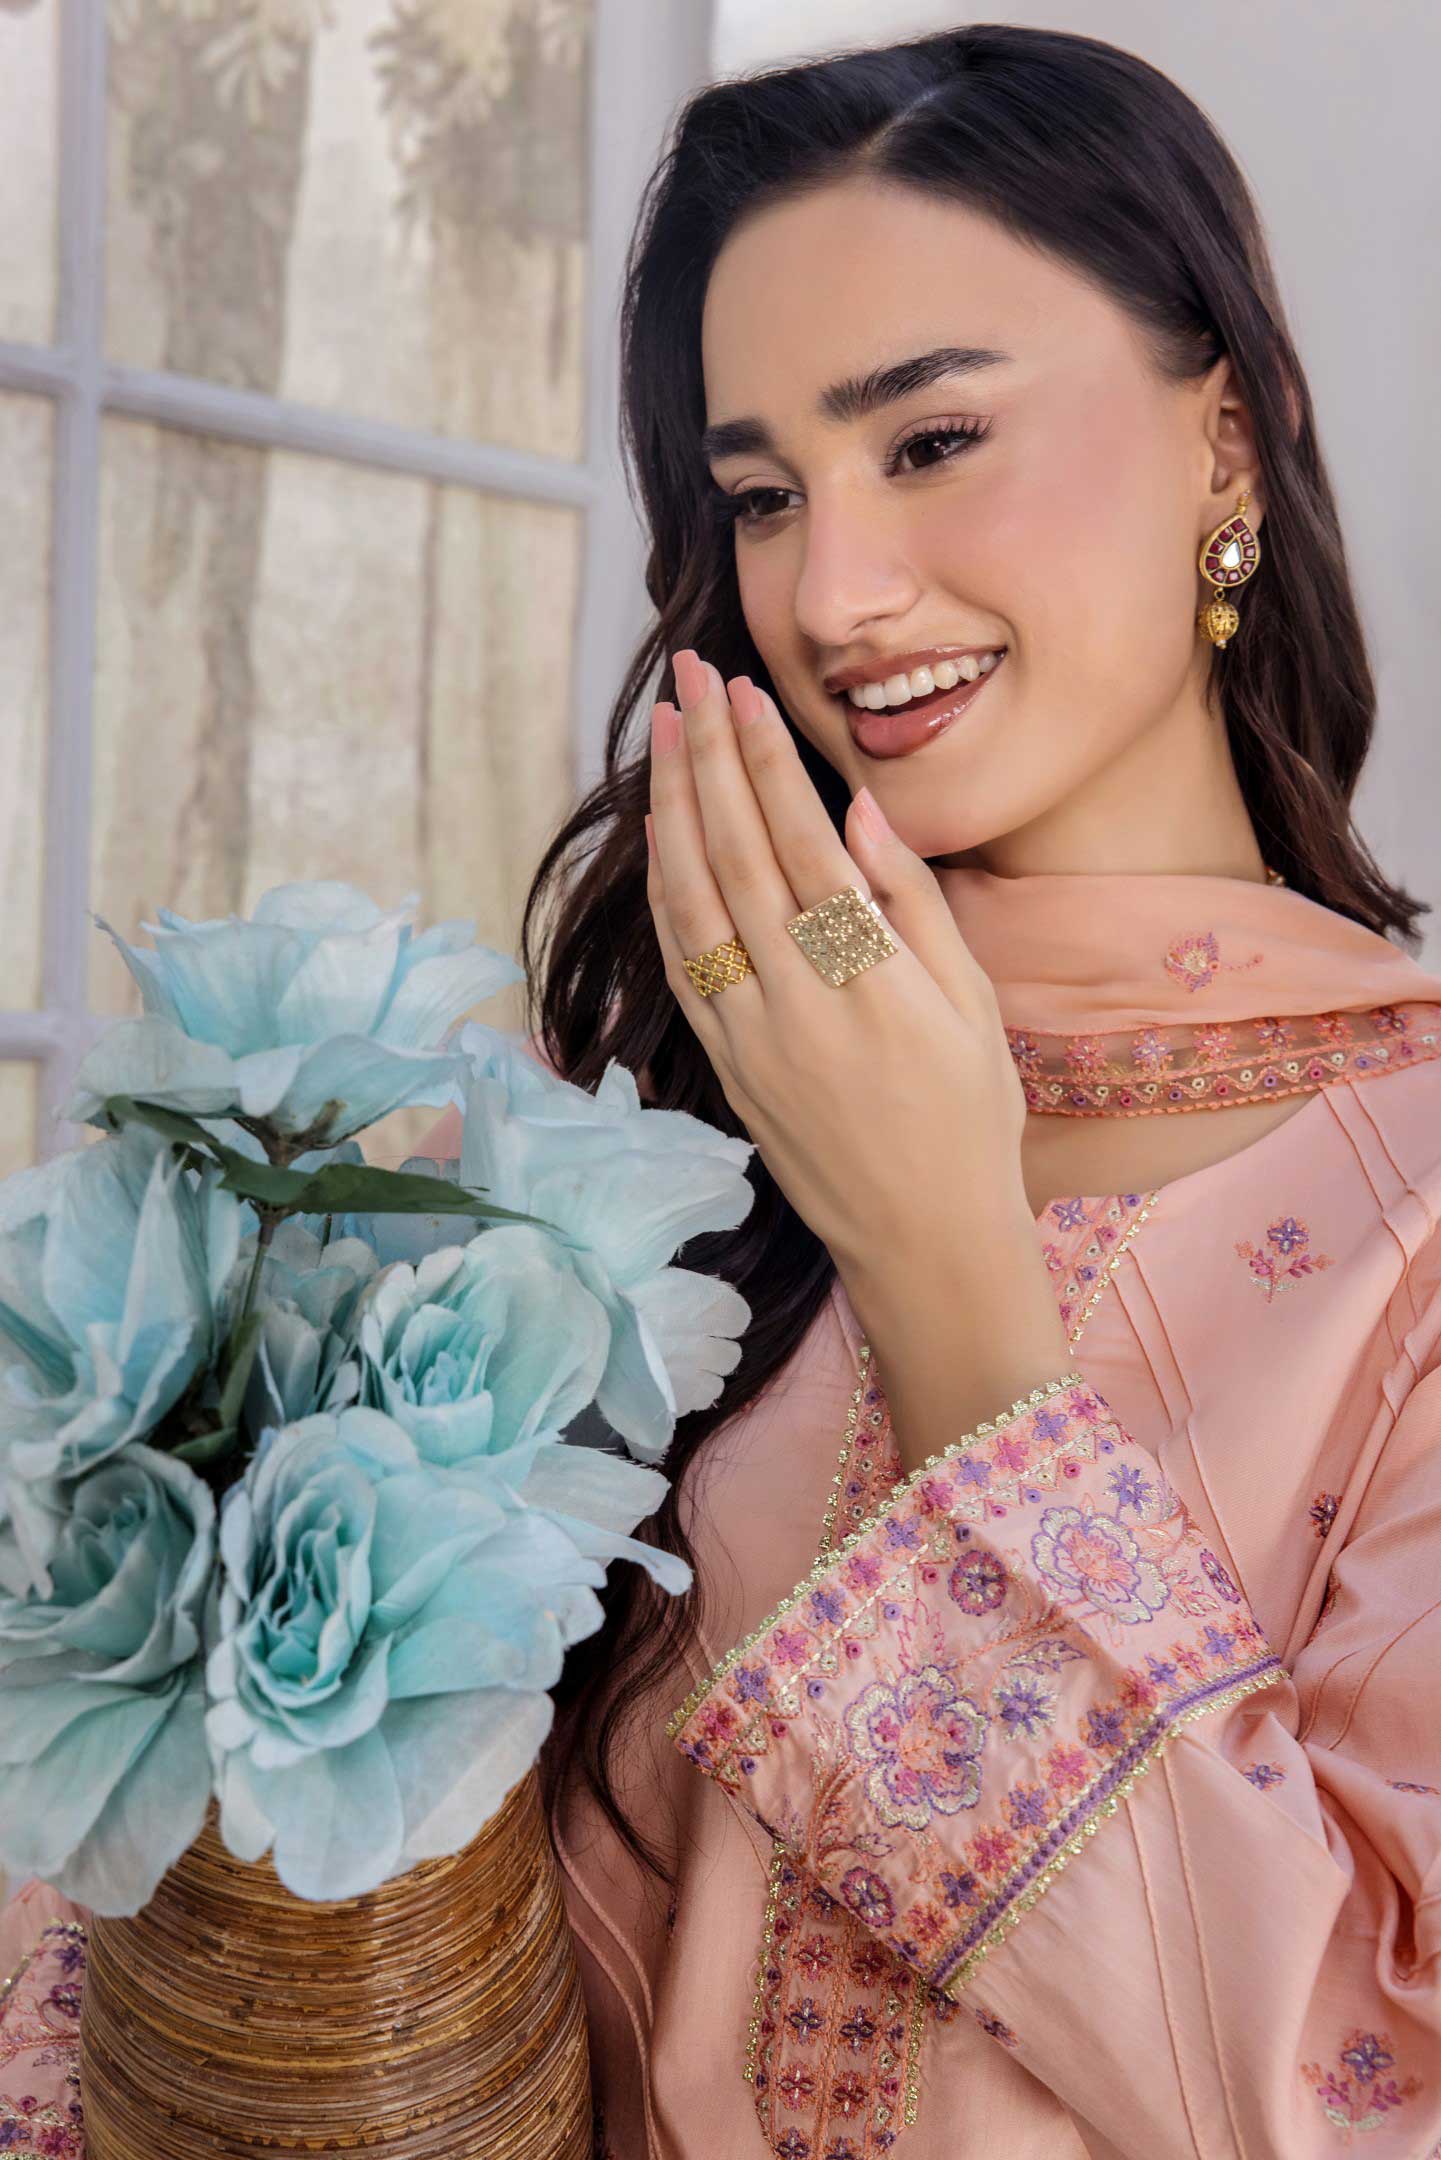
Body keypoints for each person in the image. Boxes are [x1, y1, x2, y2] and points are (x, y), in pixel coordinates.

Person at [5, 23, 1440, 2160]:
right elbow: (194, 1937)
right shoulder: (600, 1145)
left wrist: (947, 1275)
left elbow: (1345, 2091)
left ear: (1225, 437)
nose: (828, 594)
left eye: (931, 438)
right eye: (762, 495)